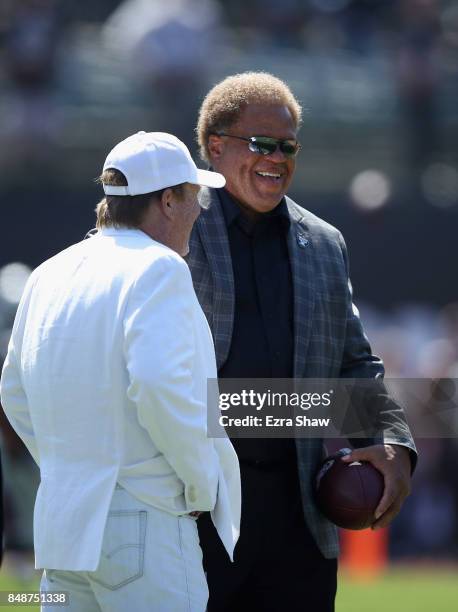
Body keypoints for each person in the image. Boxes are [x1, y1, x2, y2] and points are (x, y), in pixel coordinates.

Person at [186, 72, 417, 611]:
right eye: (261, 142)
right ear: (215, 147)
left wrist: (393, 442)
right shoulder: (173, 225)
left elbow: (355, 363)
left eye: (289, 146)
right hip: (192, 512)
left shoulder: (324, 243)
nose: (278, 156)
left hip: (298, 519)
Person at [0, 131, 241, 612]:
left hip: (64, 523)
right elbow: (156, 384)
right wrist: (198, 481)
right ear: (168, 202)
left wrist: (70, 468)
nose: (200, 210)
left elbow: (13, 394)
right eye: (194, 196)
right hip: (143, 519)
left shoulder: (50, 271)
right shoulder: (159, 268)